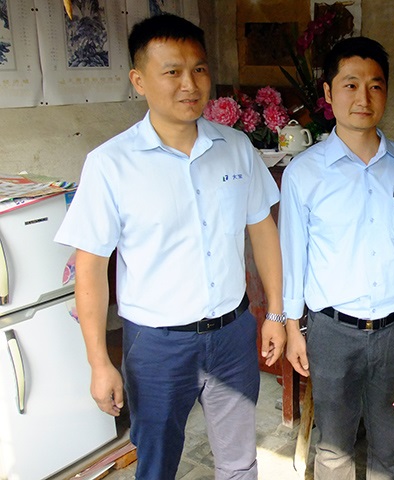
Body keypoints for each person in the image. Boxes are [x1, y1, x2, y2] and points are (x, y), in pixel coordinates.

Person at [54, 14, 286, 480]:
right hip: (157, 346)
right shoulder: (110, 164)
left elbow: (263, 231)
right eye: (172, 72)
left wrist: (276, 314)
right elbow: (91, 269)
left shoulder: (236, 147)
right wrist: (99, 362)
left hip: (232, 334)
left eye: (199, 70)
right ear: (139, 80)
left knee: (240, 464)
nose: (189, 85)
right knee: (157, 464)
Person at [279, 36, 394, 480]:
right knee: (334, 446)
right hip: (332, 332)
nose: (363, 98)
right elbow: (293, 256)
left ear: (386, 92)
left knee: (389, 448)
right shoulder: (304, 173)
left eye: (375, 86)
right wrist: (292, 328)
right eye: (350, 85)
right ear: (328, 93)